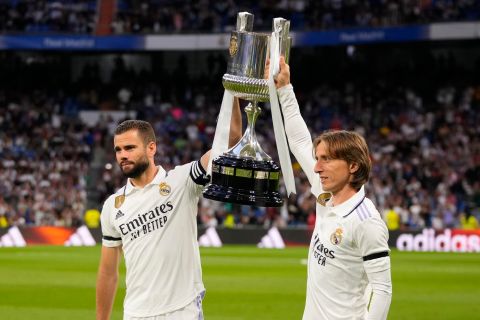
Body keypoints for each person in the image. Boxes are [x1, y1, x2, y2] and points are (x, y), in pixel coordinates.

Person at [96, 99, 241, 320]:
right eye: (118, 150)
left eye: (130, 148)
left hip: (182, 311)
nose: (122, 155)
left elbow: (231, 141)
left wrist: (233, 91)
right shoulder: (112, 206)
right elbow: (107, 273)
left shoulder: (182, 181)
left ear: (151, 147)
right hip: (135, 314)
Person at [273, 57, 392, 319]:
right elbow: (298, 141)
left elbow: (382, 290)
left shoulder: (366, 222)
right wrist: (284, 88)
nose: (316, 168)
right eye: (317, 159)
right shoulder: (325, 194)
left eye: (326, 159)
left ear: (352, 166)